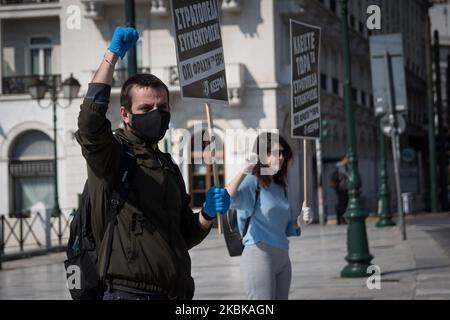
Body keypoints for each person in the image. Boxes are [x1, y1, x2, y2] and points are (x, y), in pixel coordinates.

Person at [75, 26, 230, 300]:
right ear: (125, 113)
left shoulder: (166, 164)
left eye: (163, 108)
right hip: (129, 293)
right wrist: (111, 56)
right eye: (146, 109)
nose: (156, 114)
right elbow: (89, 126)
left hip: (175, 293)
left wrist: (205, 215)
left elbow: (183, 235)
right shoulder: (112, 154)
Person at [225, 132, 313, 300]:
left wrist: (300, 222)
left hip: (283, 256)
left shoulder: (281, 186)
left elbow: (285, 227)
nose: (280, 157)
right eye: (275, 153)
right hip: (259, 254)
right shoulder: (253, 182)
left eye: (283, 153)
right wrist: (244, 171)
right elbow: (227, 199)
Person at [329, 155, 348, 225]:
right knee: (342, 204)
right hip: (341, 188)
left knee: (342, 204)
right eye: (347, 158)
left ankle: (340, 219)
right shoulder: (341, 166)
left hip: (342, 188)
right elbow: (347, 175)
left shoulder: (341, 166)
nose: (348, 160)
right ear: (344, 159)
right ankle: (340, 219)